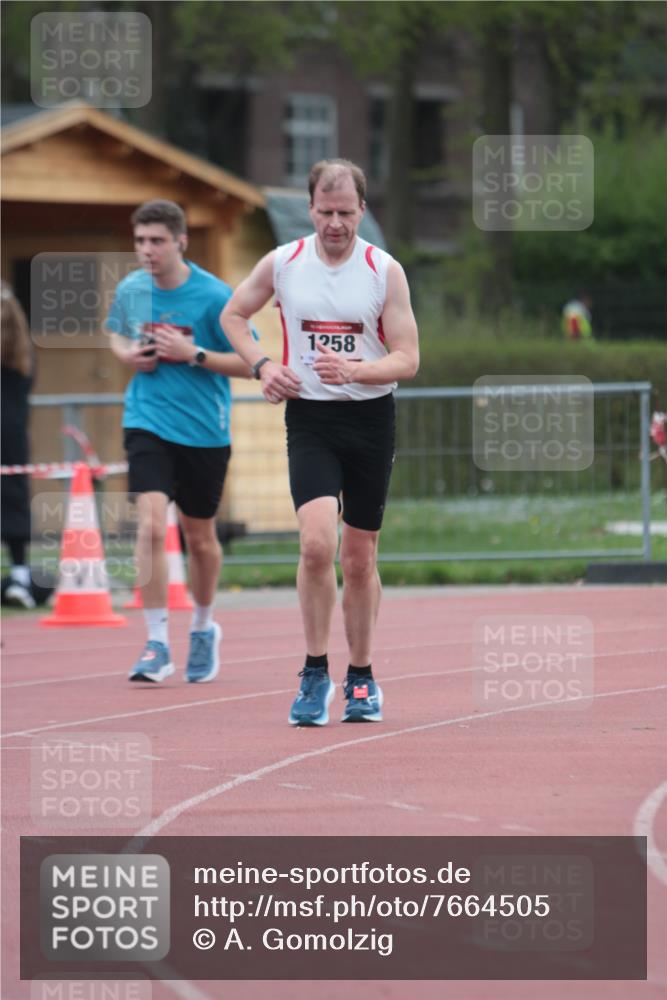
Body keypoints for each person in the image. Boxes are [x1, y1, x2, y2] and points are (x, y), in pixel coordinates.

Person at [221, 159, 419, 726]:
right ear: (310, 209)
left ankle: (361, 676)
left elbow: (408, 357)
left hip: (369, 421)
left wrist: (359, 370)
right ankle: (313, 671)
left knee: (358, 559)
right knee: (314, 544)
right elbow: (233, 315)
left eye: (346, 212)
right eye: (326, 212)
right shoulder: (283, 264)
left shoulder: (385, 270)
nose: (336, 223)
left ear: (363, 210)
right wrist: (261, 364)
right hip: (309, 419)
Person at [107, 199, 252, 683]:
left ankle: (204, 627)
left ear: (180, 242)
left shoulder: (214, 297)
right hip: (146, 419)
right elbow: (115, 335)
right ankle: (155, 641)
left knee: (200, 538)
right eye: (141, 241)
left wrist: (193, 353)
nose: (147, 250)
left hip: (204, 430)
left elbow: (250, 361)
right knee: (150, 525)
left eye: (157, 241)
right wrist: (131, 353)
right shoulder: (131, 290)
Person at [1, 282, 38, 608]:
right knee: (15, 498)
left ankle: (20, 579)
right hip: (13, 434)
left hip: (9, 431)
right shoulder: (23, 351)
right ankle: (21, 575)